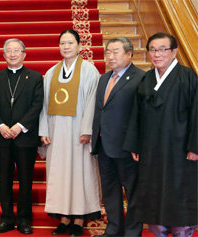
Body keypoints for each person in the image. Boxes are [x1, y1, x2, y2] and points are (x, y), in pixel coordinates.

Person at [123, 32, 198, 237]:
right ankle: (159, 231)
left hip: (180, 151)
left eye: (162, 49)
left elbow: (196, 112)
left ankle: (183, 231)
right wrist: (135, 145)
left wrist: (195, 146)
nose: (157, 54)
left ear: (174, 52)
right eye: (153, 50)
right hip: (152, 151)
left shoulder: (188, 76)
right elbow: (136, 115)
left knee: (179, 193)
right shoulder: (147, 78)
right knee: (153, 192)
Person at [38, 29, 101, 236]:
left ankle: (79, 219)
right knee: (60, 175)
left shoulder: (89, 71)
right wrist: (44, 131)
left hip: (79, 135)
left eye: (70, 43)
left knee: (80, 174)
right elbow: (44, 105)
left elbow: (93, 102)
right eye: (62, 43)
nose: (66, 47)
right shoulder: (51, 73)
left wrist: (87, 130)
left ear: (79, 46)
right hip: (57, 135)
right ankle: (63, 218)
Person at [91, 37, 145, 237]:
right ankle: (114, 229)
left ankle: (132, 231)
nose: (110, 57)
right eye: (108, 52)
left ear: (129, 54)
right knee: (110, 189)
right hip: (104, 144)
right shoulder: (104, 78)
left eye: (115, 52)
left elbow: (141, 116)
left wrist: (137, 144)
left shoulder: (141, 78)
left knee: (133, 192)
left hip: (127, 147)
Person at [0, 38, 43, 235]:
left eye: (16, 50)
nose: (12, 54)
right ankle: (6, 218)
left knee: (25, 180)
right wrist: (1, 126)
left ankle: (24, 219)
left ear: (24, 54)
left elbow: (37, 105)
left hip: (25, 138)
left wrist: (20, 126)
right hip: (2, 137)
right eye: (8, 51)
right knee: (4, 180)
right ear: (4, 55)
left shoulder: (36, 78)